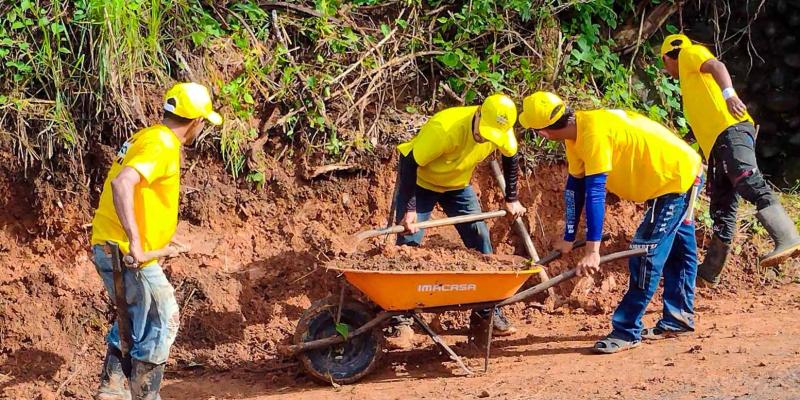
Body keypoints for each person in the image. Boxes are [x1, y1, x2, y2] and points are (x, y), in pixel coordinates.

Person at [520, 91, 702, 353]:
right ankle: (679, 317)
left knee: (646, 252)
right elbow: (575, 187)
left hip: (676, 181)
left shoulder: (594, 135)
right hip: (677, 173)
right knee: (679, 249)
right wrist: (569, 238)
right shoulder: (579, 131)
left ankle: (627, 330)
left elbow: (595, 192)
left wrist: (593, 251)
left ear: (544, 131)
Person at [90, 82, 222, 399]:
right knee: (164, 317)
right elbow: (123, 184)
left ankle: (114, 391)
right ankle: (142, 395)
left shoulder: (148, 136)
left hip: (112, 245)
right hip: (127, 252)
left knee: (135, 322)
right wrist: (136, 242)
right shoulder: (162, 144)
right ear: (196, 122)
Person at [660, 33, 800, 287]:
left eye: (665, 64)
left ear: (667, 57)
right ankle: (710, 271)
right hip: (718, 143)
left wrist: (729, 95)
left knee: (746, 179)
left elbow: (717, 65)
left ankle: (787, 235)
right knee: (722, 208)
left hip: (731, 131)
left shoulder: (689, 54)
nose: (667, 70)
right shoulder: (692, 84)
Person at [392, 93, 526, 342]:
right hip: (421, 183)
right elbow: (409, 162)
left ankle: (486, 313)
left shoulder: (501, 129)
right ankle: (401, 318)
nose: (485, 139)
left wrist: (512, 197)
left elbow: (511, 157)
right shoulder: (445, 128)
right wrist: (409, 209)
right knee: (409, 244)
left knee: (480, 239)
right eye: (484, 133)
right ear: (478, 115)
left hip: (457, 186)